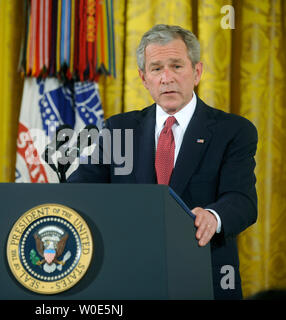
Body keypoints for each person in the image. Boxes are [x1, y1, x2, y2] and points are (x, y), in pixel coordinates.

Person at [68, 24, 258, 300]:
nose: (166, 78)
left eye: (176, 66)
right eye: (156, 69)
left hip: (202, 276)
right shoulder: (119, 129)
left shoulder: (233, 131)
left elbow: (242, 201)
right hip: (128, 279)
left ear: (197, 72)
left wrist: (212, 217)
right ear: (144, 78)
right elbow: (81, 190)